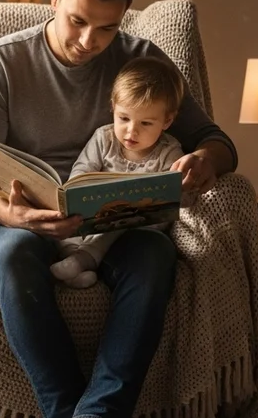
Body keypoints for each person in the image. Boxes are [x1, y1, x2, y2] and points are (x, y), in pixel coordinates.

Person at [0, 0, 238, 418]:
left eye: (107, 28)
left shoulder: (141, 58)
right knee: (12, 257)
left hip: (120, 226)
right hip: (21, 221)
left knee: (155, 255)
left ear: (124, 16)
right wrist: (14, 214)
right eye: (78, 21)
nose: (89, 41)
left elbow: (216, 140)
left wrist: (204, 161)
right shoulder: (1, 61)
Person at [50, 56, 192, 290]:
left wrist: (183, 189)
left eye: (146, 123)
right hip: (95, 219)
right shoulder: (103, 138)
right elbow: (81, 171)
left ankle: (80, 262)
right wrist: (76, 195)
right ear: (113, 108)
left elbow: (177, 196)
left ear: (167, 120)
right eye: (124, 118)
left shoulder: (169, 152)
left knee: (120, 224)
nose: (131, 131)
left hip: (136, 228)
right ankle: (77, 269)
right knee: (64, 229)